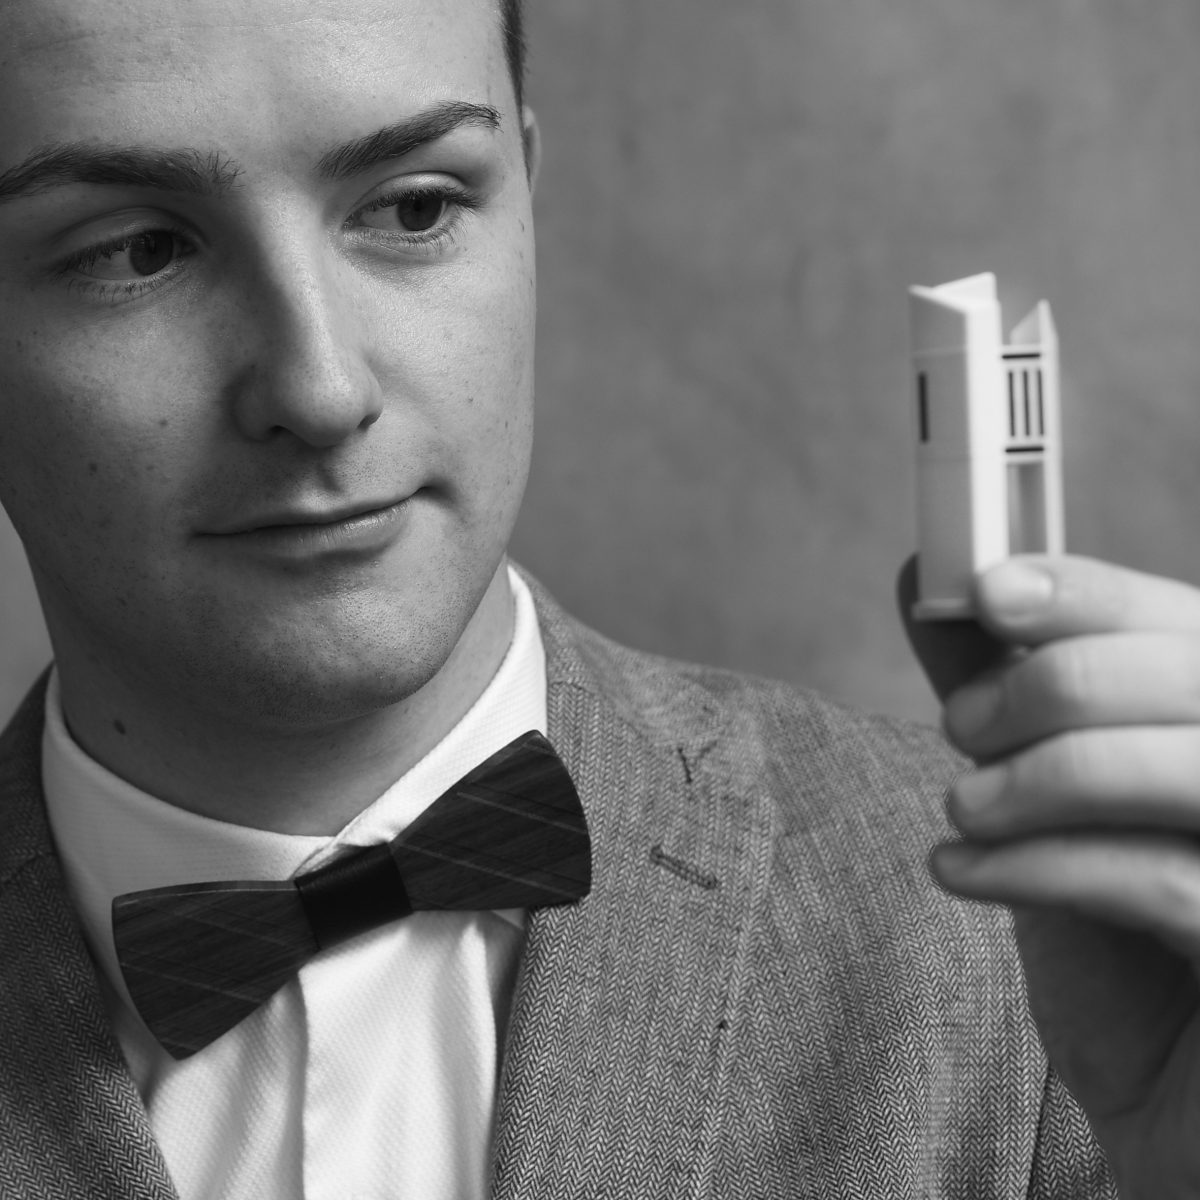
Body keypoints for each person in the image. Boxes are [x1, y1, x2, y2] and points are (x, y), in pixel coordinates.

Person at [0, 0, 1194, 1195]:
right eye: (136, 250)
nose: (318, 389)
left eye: (414, 207)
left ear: (527, 195)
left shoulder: (1034, 948)